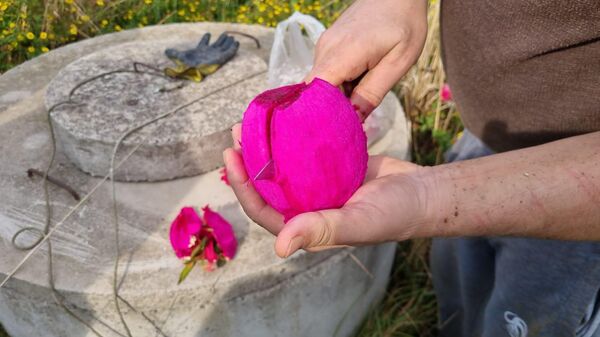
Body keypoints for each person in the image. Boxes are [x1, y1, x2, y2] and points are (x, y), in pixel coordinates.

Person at [223, 0, 600, 336]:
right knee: (458, 291)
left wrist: (432, 197)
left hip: (576, 209)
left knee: (527, 316)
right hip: (479, 138)